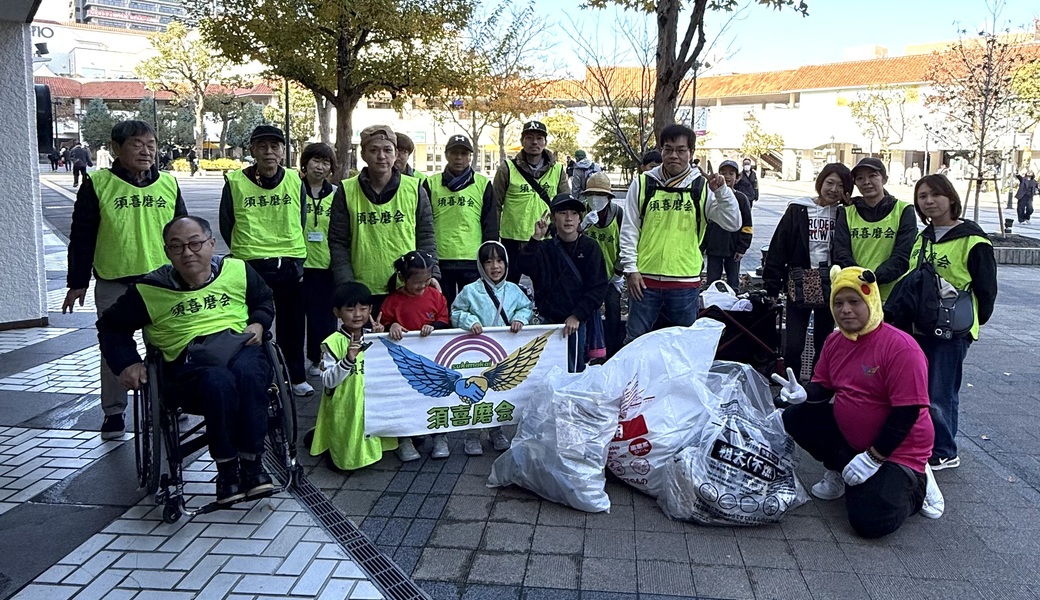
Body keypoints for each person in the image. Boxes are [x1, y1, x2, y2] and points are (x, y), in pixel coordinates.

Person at [97, 215, 276, 505]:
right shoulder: (149, 289)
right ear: (167, 252)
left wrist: (258, 323)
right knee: (218, 381)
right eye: (177, 247)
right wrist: (128, 363)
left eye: (195, 244)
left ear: (211, 244)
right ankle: (228, 470)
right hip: (186, 368)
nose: (188, 253)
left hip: (240, 349)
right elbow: (111, 327)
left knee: (247, 374)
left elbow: (263, 300)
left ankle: (253, 464)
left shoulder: (238, 270)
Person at [774, 265, 944, 539]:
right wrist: (805, 394)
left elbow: (907, 413)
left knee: (869, 522)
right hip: (854, 439)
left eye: (855, 301)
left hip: (899, 449)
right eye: (838, 303)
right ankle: (843, 469)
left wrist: (873, 458)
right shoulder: (834, 341)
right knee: (796, 415)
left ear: (871, 300)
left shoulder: (901, 348)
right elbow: (824, 386)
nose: (846, 310)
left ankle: (918, 485)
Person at [63, 120, 186, 439]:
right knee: (114, 350)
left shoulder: (169, 184)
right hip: (114, 283)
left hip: (161, 283)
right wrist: (77, 281)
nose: (146, 151)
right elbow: (82, 236)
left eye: (151, 145)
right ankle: (114, 412)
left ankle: (171, 402)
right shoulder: (98, 184)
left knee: (168, 346)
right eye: (137, 144)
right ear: (117, 149)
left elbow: (184, 233)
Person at [906, 174, 997, 471]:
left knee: (940, 392)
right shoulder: (924, 237)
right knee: (921, 389)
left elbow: (987, 289)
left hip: (952, 328)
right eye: (922, 196)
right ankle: (924, 442)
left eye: (935, 195)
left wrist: (970, 323)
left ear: (951, 198)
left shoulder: (973, 240)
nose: (929, 201)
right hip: (921, 324)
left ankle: (944, 450)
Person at [619, 123, 740, 343]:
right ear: (661, 150)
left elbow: (733, 223)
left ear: (691, 153)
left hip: (685, 282)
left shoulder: (702, 187)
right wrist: (630, 269)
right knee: (635, 344)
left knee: (682, 348)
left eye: (681, 150)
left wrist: (722, 192)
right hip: (644, 281)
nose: (674, 155)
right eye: (668, 149)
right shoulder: (643, 183)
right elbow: (629, 229)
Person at [219, 125, 312, 397]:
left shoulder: (295, 180)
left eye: (275, 146)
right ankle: (260, 378)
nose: (269, 152)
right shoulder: (235, 181)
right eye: (262, 146)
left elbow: (301, 220)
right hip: (250, 265)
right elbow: (227, 224)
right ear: (252, 151)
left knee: (293, 326)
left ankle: (295, 377)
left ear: (284, 151)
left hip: (289, 262)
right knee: (253, 326)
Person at [328, 124, 440, 314]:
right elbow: (338, 242)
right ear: (362, 154)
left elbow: (426, 236)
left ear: (396, 153)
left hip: (406, 287)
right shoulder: (346, 190)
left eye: (387, 150)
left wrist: (432, 274)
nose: (381, 156)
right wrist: (347, 284)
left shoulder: (414, 188)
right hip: (362, 291)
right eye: (374, 150)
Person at [764, 163, 852, 382]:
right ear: (820, 182)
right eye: (829, 182)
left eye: (840, 185)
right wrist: (772, 285)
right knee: (794, 343)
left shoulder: (846, 214)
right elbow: (779, 246)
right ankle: (791, 384)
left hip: (833, 284)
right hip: (800, 280)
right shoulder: (798, 208)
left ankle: (815, 384)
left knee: (824, 340)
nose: (833, 189)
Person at [450, 240, 534, 455]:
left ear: (506, 264)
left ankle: (496, 431)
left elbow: (526, 308)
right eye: (488, 261)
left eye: (499, 261)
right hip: (476, 352)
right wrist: (469, 322)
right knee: (475, 391)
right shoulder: (470, 291)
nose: (495, 267)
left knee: (498, 392)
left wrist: (519, 319)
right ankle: (472, 434)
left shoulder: (514, 290)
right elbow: (456, 312)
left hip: (503, 353)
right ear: (480, 265)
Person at [310, 282, 398, 471]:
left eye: (363, 308)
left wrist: (381, 341)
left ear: (371, 310)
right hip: (345, 403)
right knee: (346, 441)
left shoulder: (373, 336)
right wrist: (348, 359)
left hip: (372, 400)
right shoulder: (332, 343)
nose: (357, 314)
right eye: (350, 309)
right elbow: (327, 380)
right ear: (337, 313)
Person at [517, 193, 608, 373]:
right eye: (563, 213)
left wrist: (577, 315)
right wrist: (535, 239)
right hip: (548, 320)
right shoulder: (544, 247)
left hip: (575, 322)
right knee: (544, 371)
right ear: (552, 217)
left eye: (574, 213)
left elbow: (597, 287)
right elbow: (524, 267)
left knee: (573, 370)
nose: (568, 219)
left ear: (580, 218)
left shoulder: (590, 248)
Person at [379, 250, 451, 461]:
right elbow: (382, 325)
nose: (422, 286)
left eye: (427, 281)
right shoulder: (393, 301)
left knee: (437, 396)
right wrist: (391, 325)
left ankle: (440, 436)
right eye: (417, 282)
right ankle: (405, 439)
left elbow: (445, 321)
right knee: (404, 398)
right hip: (404, 364)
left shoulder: (436, 296)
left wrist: (434, 327)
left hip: (433, 360)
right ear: (403, 278)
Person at [493, 120, 570, 284]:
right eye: (529, 137)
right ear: (522, 141)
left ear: (545, 142)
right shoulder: (507, 168)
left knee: (547, 285)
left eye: (539, 138)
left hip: (545, 238)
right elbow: (495, 205)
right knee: (508, 287)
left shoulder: (557, 169)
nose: (534, 142)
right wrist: (493, 237)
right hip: (512, 240)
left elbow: (565, 205)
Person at [832, 157, 916, 302]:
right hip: (855, 294)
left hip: (893, 297)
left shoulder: (904, 210)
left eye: (873, 175)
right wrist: (860, 279)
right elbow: (841, 253)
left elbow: (903, 255)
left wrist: (873, 278)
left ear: (884, 179)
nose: (866, 182)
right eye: (860, 178)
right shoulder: (846, 212)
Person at [428, 134, 497, 306]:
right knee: (442, 309)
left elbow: (490, 224)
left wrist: (490, 257)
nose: (459, 158)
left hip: (472, 259)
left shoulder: (482, 184)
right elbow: (424, 224)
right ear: (446, 155)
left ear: (470, 157)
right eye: (454, 153)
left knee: (472, 308)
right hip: (441, 260)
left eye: (464, 154)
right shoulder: (430, 184)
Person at [300, 142, 339, 377]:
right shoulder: (294, 190)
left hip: (326, 265)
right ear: (305, 163)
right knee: (297, 318)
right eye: (316, 160)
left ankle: (320, 358)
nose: (320, 166)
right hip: (299, 264)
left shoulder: (336, 194)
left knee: (325, 317)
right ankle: (294, 365)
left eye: (325, 162)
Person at [579, 172, 625, 358]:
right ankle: (590, 350)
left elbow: (626, 241)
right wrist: (582, 226)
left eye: (601, 195)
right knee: (589, 311)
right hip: (587, 275)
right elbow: (569, 237)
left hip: (611, 274)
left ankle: (612, 349)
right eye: (592, 195)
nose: (596, 200)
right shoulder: (582, 211)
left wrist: (619, 270)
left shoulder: (618, 213)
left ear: (608, 197)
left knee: (613, 310)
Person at [704, 160, 753, 289]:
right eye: (723, 173)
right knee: (712, 282)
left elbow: (747, 225)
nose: (727, 176)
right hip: (714, 247)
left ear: (738, 177)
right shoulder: (711, 198)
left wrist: (742, 248)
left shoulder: (741, 199)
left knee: (733, 282)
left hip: (733, 248)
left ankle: (733, 305)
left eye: (731, 173)